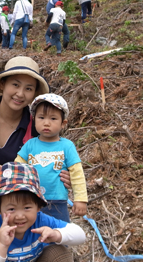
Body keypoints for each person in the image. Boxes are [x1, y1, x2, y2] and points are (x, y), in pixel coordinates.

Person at [0, 56, 73, 256]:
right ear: (2, 84)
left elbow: (53, 156)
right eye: (15, 85)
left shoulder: (37, 126)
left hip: (20, 195)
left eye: (28, 88)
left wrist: (62, 173)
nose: (20, 94)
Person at [0, 162, 86, 262]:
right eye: (11, 209)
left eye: (27, 208)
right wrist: (2, 245)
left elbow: (80, 235)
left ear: (38, 207)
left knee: (59, 253)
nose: (20, 216)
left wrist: (56, 234)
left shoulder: (41, 219)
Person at [15, 94, 88, 222]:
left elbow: (77, 174)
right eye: (41, 117)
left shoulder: (67, 146)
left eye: (53, 118)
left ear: (63, 123)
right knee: (33, 234)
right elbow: (17, 167)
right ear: (34, 119)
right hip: (31, 200)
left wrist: (80, 199)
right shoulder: (30, 145)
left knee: (60, 234)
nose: (46, 123)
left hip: (57, 202)